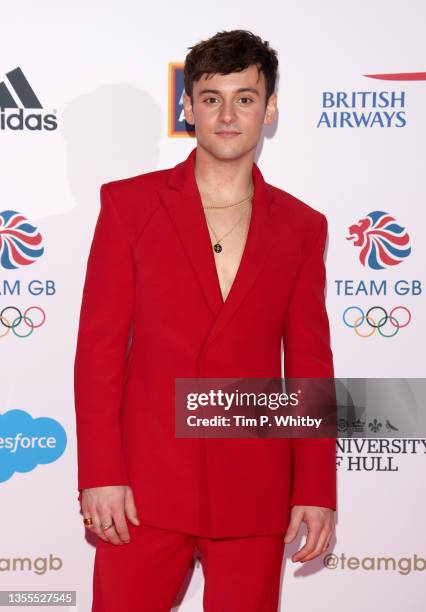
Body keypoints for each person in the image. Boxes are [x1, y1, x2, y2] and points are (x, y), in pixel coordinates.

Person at [74, 29, 336, 611]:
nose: (226, 114)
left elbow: (311, 367)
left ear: (269, 111)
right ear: (188, 107)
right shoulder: (128, 206)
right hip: (142, 489)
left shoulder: (301, 225)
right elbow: (99, 350)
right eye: (211, 98)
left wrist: (316, 488)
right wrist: (100, 473)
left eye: (245, 98)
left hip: (255, 488)